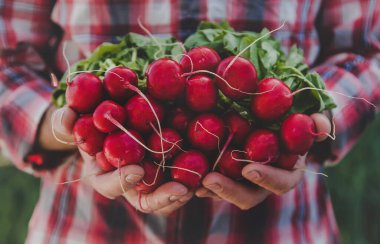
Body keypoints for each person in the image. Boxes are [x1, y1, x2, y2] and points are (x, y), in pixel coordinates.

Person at [1, 0, 379, 243]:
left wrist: (317, 117)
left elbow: (368, 46)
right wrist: (67, 129)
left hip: (284, 228)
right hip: (85, 228)